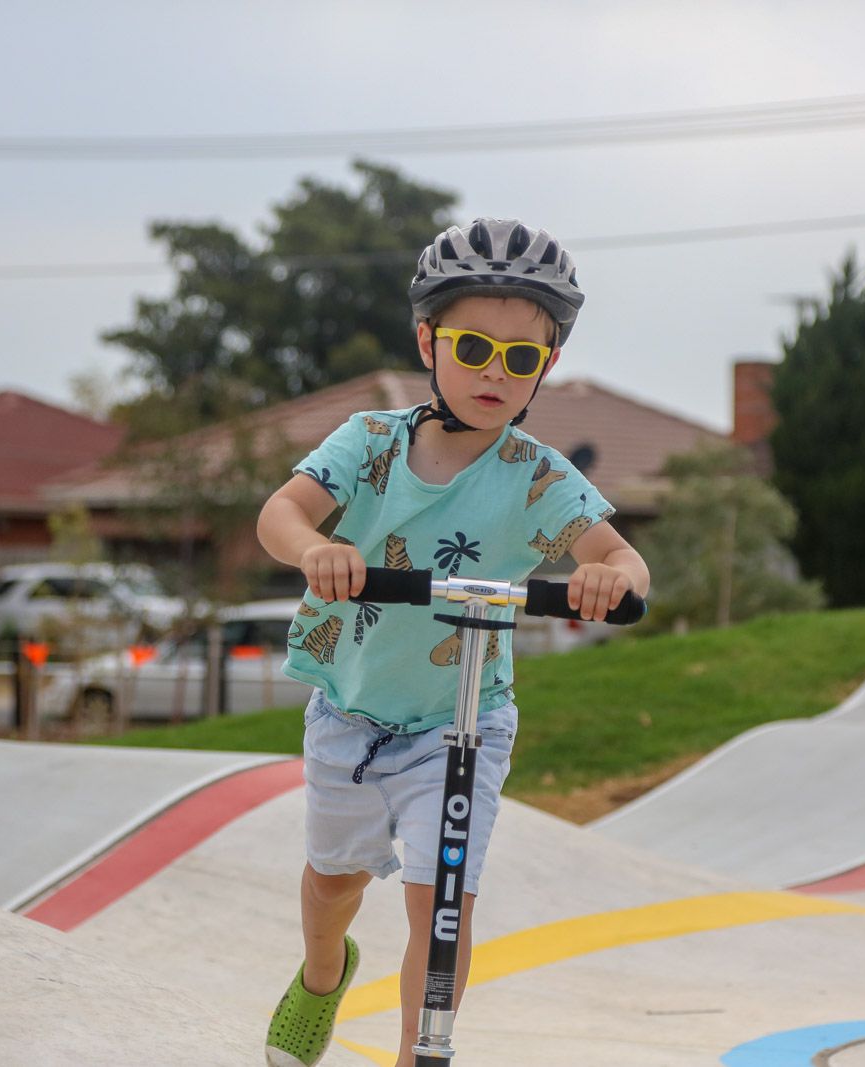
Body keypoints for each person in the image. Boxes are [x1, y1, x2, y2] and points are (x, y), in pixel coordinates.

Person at [258, 218, 651, 1066]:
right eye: (474, 347)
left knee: (444, 901)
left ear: (545, 367)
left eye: (522, 357)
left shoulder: (538, 476)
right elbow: (279, 513)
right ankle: (323, 978)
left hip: (460, 721)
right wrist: (316, 549)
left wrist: (608, 578)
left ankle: (418, 1053)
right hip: (352, 710)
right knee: (334, 883)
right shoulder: (367, 446)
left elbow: (625, 560)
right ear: (428, 341)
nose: (493, 372)